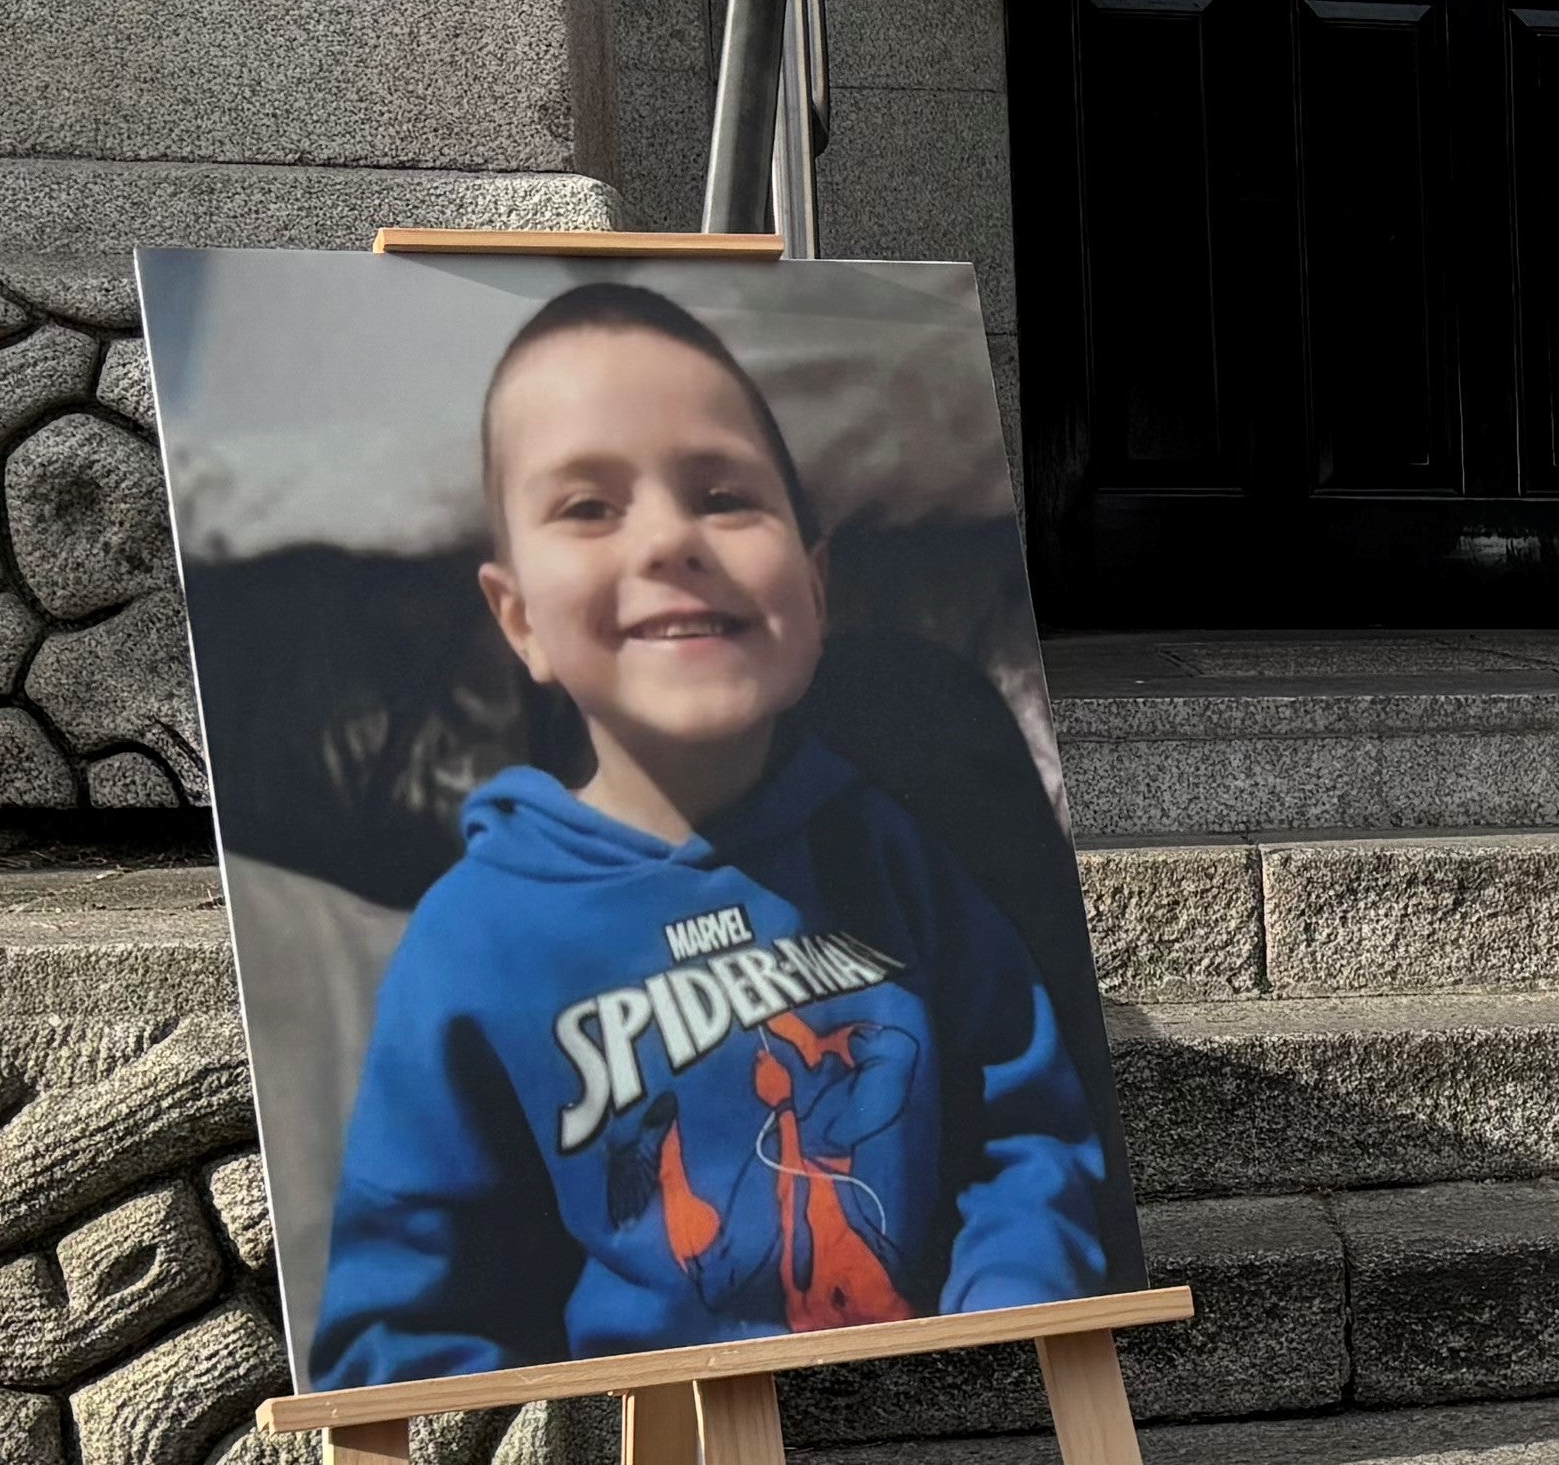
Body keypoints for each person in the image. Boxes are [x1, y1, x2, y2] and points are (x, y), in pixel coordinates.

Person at [306, 279, 1118, 1385]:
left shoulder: (892, 848)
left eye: (725, 496)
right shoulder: (472, 942)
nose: (670, 539)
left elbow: (1025, 1138)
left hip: (937, 1413)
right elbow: (406, 1328)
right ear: (518, 620)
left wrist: (1007, 1335)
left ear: (817, 590)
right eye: (590, 507)